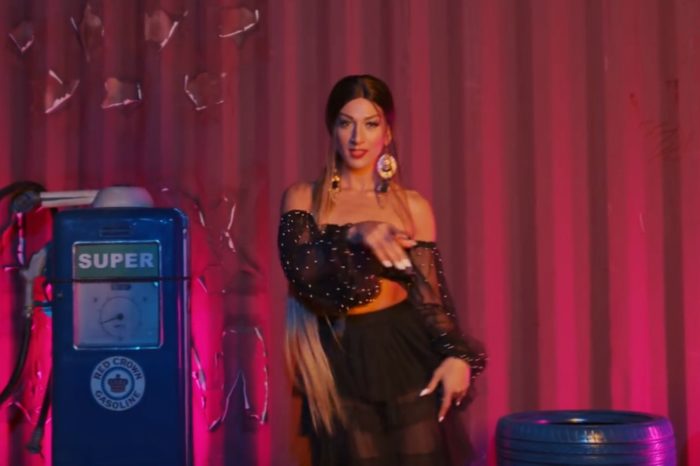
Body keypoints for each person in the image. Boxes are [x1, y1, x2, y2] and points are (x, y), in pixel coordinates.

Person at [278, 74, 486, 466]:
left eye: (371, 124)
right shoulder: (303, 198)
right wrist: (354, 233)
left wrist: (457, 356)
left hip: (406, 353)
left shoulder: (412, 206)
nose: (358, 137)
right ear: (333, 130)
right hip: (341, 358)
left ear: (387, 134)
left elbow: (430, 300)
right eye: (346, 123)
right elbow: (301, 269)